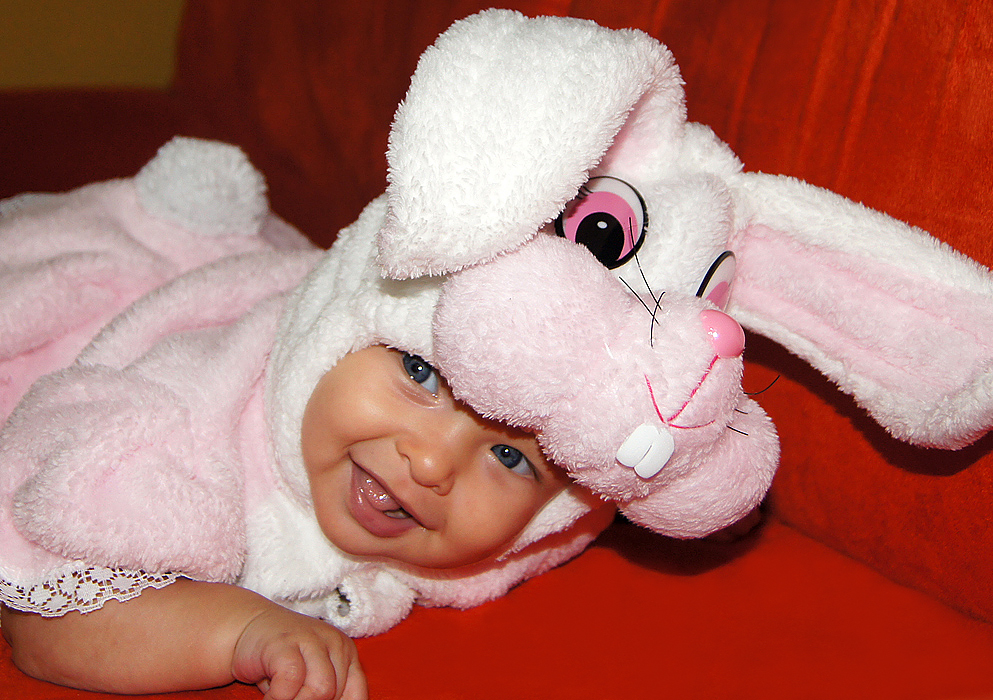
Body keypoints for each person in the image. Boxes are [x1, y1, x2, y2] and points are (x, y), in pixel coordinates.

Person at [0, 137, 613, 700]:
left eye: (510, 457)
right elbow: (44, 620)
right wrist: (243, 635)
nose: (429, 462)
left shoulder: (497, 541)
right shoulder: (185, 418)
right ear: (343, 334)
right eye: (421, 375)